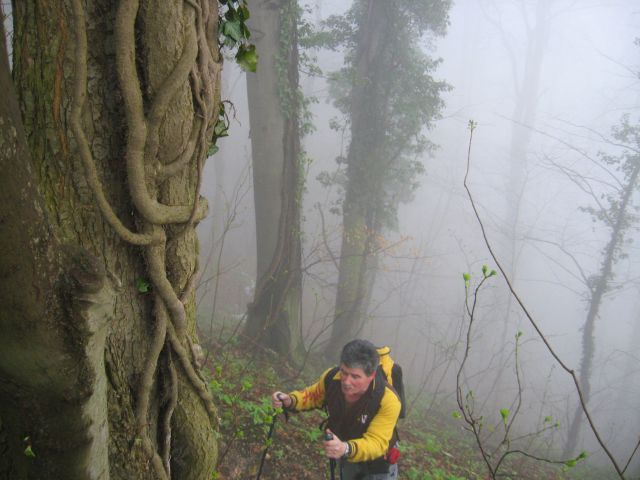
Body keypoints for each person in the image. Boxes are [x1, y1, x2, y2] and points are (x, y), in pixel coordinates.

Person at [272, 339, 402, 479]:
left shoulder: (388, 400)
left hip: (377, 464)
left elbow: (377, 442)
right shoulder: (332, 377)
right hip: (345, 451)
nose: (346, 382)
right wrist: (290, 400)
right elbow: (312, 396)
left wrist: (345, 448)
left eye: (355, 376)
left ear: (371, 376)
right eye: (344, 372)